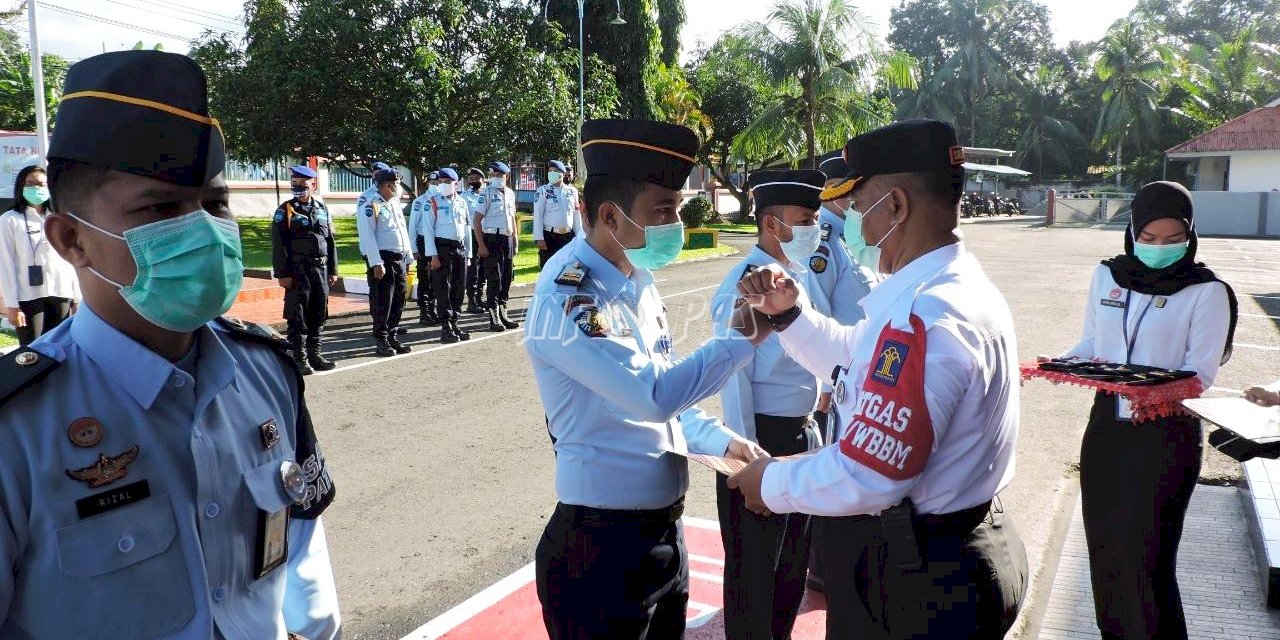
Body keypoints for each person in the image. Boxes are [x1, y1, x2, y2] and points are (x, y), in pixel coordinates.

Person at [0, 49, 339, 639]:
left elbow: (302, 542)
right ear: (71, 239)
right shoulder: (15, 427)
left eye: (215, 204)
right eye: (162, 208)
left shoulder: (266, 371)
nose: (204, 229)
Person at [731, 119, 1029, 640]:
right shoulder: (950, 289)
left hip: (919, 582)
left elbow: (871, 473)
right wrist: (789, 315)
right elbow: (854, 362)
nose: (854, 229)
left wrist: (770, 482)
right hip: (949, 551)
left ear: (895, 206)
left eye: (859, 209)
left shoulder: (926, 316)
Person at [526, 118, 771, 640]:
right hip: (601, 553)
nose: (675, 224)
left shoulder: (636, 278)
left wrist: (721, 440)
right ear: (611, 216)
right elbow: (652, 396)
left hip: (661, 538)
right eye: (664, 210)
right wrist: (740, 338)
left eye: (677, 209)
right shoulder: (569, 297)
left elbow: (669, 395)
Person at [1051, 180, 1237, 640]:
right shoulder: (1107, 276)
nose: (1159, 249)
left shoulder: (1206, 291)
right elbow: (1093, 344)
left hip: (1165, 439)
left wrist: (1144, 387)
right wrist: (1056, 364)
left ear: (1191, 236)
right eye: (1149, 238)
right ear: (1132, 232)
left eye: (1174, 239)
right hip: (1107, 435)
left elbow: (1201, 375)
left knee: (1147, 564)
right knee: (1107, 556)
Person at [710, 169, 827, 640]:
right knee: (754, 578)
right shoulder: (747, 285)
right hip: (761, 440)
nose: (812, 230)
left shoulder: (796, 277)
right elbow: (732, 375)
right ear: (772, 224)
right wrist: (746, 460)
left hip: (799, 436)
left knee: (790, 569)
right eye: (805, 220)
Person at [0, 164, 80, 345]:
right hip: (28, 295)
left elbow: (72, 259)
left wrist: (77, 297)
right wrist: (12, 305)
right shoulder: (10, 219)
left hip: (61, 291)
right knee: (32, 349)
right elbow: (5, 264)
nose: (37, 188)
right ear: (21, 186)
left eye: (42, 184)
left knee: (59, 348)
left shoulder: (58, 218)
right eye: (31, 183)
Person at [271, 164, 338, 375]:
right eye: (295, 184)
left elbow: (330, 241)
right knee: (297, 314)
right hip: (298, 271)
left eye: (303, 184)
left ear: (314, 185)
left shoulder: (321, 209)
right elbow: (278, 244)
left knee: (318, 311)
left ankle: (315, 355)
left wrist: (333, 269)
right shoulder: (285, 210)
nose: (298, 187)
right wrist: (282, 273)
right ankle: (299, 358)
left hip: (320, 269)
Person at [356, 166, 413, 357]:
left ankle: (392, 335)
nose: (399, 187)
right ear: (388, 185)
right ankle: (381, 339)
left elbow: (402, 231)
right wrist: (376, 262)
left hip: (399, 259)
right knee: (383, 302)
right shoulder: (371, 205)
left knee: (398, 300)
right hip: (383, 260)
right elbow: (367, 236)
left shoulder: (394, 202)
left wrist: (408, 256)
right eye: (396, 184)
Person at [421, 168, 473, 344]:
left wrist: (469, 253)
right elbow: (428, 231)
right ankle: (445, 326)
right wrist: (433, 256)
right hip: (442, 249)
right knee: (443, 288)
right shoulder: (432, 202)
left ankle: (454, 322)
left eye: (447, 182)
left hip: (459, 249)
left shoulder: (462, 202)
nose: (443, 185)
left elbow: (467, 229)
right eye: (440, 181)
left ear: (455, 184)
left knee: (459, 287)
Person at [473, 161, 519, 332]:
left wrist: (515, 239)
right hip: (492, 238)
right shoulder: (486, 193)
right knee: (495, 280)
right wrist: (481, 245)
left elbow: (512, 217)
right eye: (493, 175)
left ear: (506, 176)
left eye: (499, 175)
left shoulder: (510, 193)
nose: (496, 178)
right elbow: (477, 221)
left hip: (507, 238)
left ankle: (503, 313)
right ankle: (494, 317)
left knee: (507, 278)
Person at [533, 159, 582, 267]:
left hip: (568, 237)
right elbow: (538, 215)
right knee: (550, 270)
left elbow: (576, 215)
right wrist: (539, 238)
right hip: (550, 236)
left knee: (568, 269)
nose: (551, 173)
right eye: (550, 171)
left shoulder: (572, 191)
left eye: (555, 171)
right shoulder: (543, 190)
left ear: (563, 174)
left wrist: (579, 237)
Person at [409, 180, 441, 326]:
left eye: (439, 182)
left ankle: (433, 310)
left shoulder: (443, 199)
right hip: (423, 242)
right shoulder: (419, 201)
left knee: (437, 278)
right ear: (428, 183)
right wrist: (414, 249)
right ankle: (424, 311)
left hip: (439, 241)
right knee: (425, 278)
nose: (437, 184)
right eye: (434, 182)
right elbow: (413, 226)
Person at [461, 167, 487, 314]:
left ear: (482, 180)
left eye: (476, 179)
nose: (474, 181)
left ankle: (479, 297)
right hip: (472, 235)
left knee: (484, 268)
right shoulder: (464, 197)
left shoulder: (487, 194)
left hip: (486, 234)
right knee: (474, 269)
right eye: (471, 179)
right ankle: (472, 301)